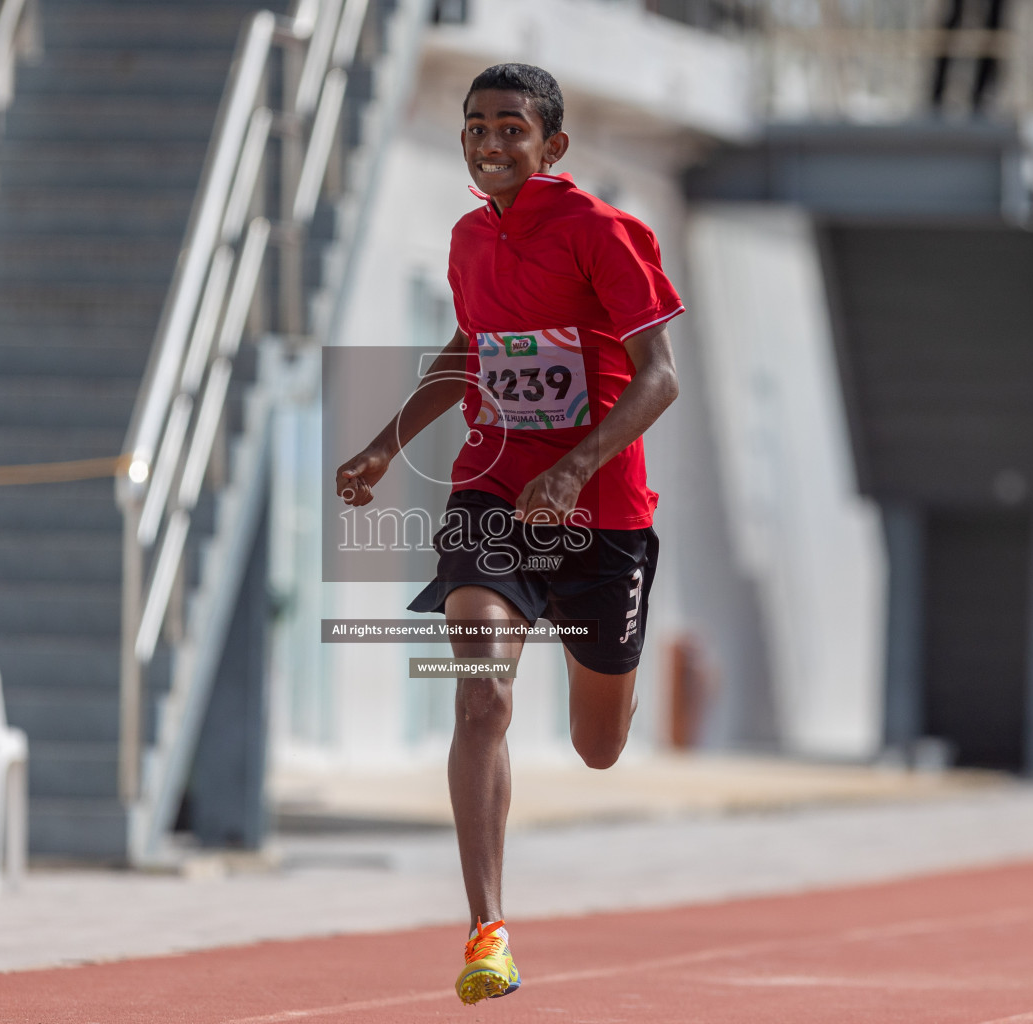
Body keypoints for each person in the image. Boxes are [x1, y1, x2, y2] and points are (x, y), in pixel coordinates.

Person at [333, 63, 682, 1005]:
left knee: (598, 747)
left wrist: (573, 466)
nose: (491, 143)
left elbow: (660, 376)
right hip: (492, 495)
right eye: (476, 126)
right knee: (481, 694)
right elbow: (469, 350)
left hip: (602, 516)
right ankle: (487, 932)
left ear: (551, 145)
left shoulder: (605, 233)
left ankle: (601, 661)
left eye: (511, 129)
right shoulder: (465, 239)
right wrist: (381, 444)